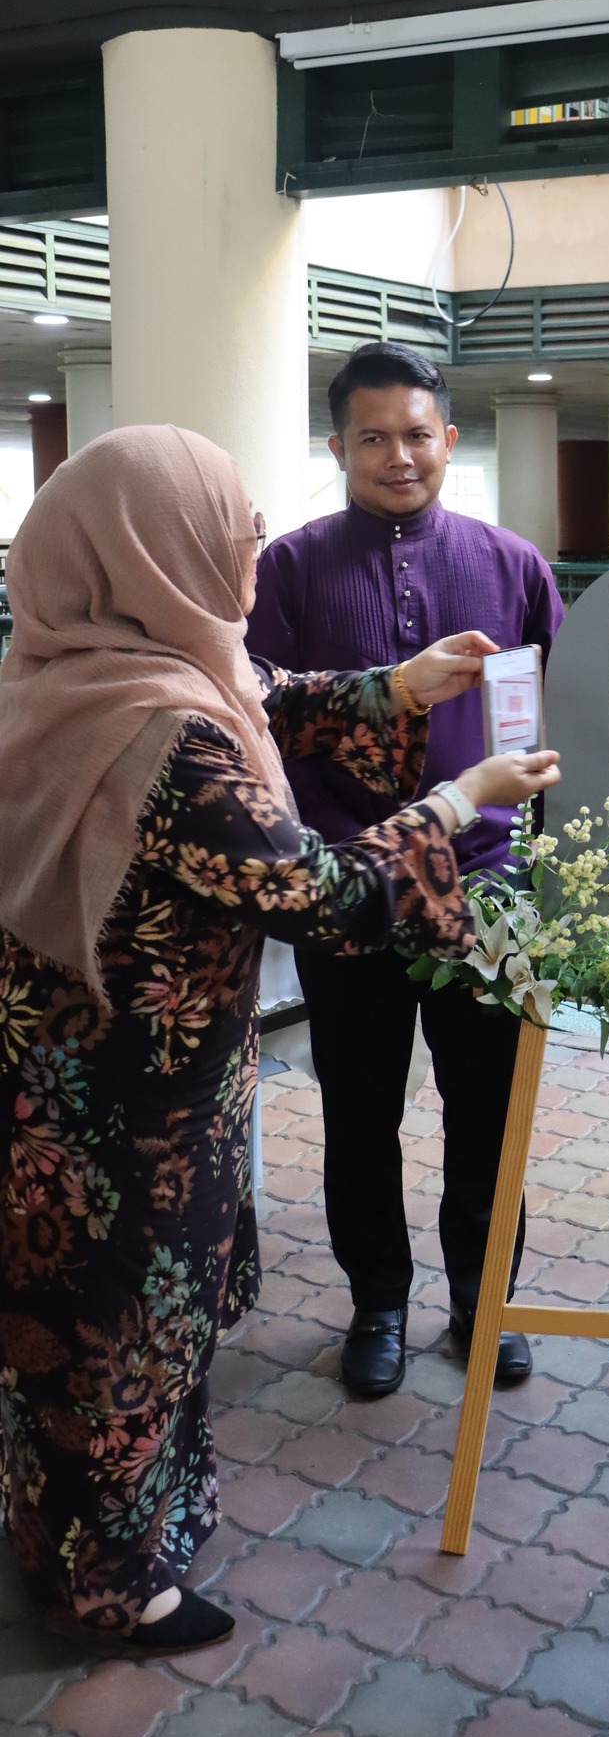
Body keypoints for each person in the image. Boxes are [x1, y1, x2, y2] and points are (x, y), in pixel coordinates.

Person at [0, 425, 559, 1656]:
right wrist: (460, 800)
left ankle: (59, 1530)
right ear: (159, 550)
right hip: (135, 1104)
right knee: (126, 1329)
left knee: (59, 1325)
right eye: (232, 529)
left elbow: (273, 691)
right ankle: (112, 1589)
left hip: (52, 1075)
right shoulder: (169, 736)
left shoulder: (68, 675)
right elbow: (326, 895)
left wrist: (397, 686)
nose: (250, 551)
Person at [248, 343, 564, 1399]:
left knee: (491, 1112)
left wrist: (550, 863)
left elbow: (558, 714)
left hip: (487, 880)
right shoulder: (288, 568)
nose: (399, 456)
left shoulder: (513, 564)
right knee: (359, 1109)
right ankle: (376, 1300)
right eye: (373, 437)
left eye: (417, 434)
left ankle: (484, 1301)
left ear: (449, 439)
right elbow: (261, 714)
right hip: (349, 886)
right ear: (337, 447)